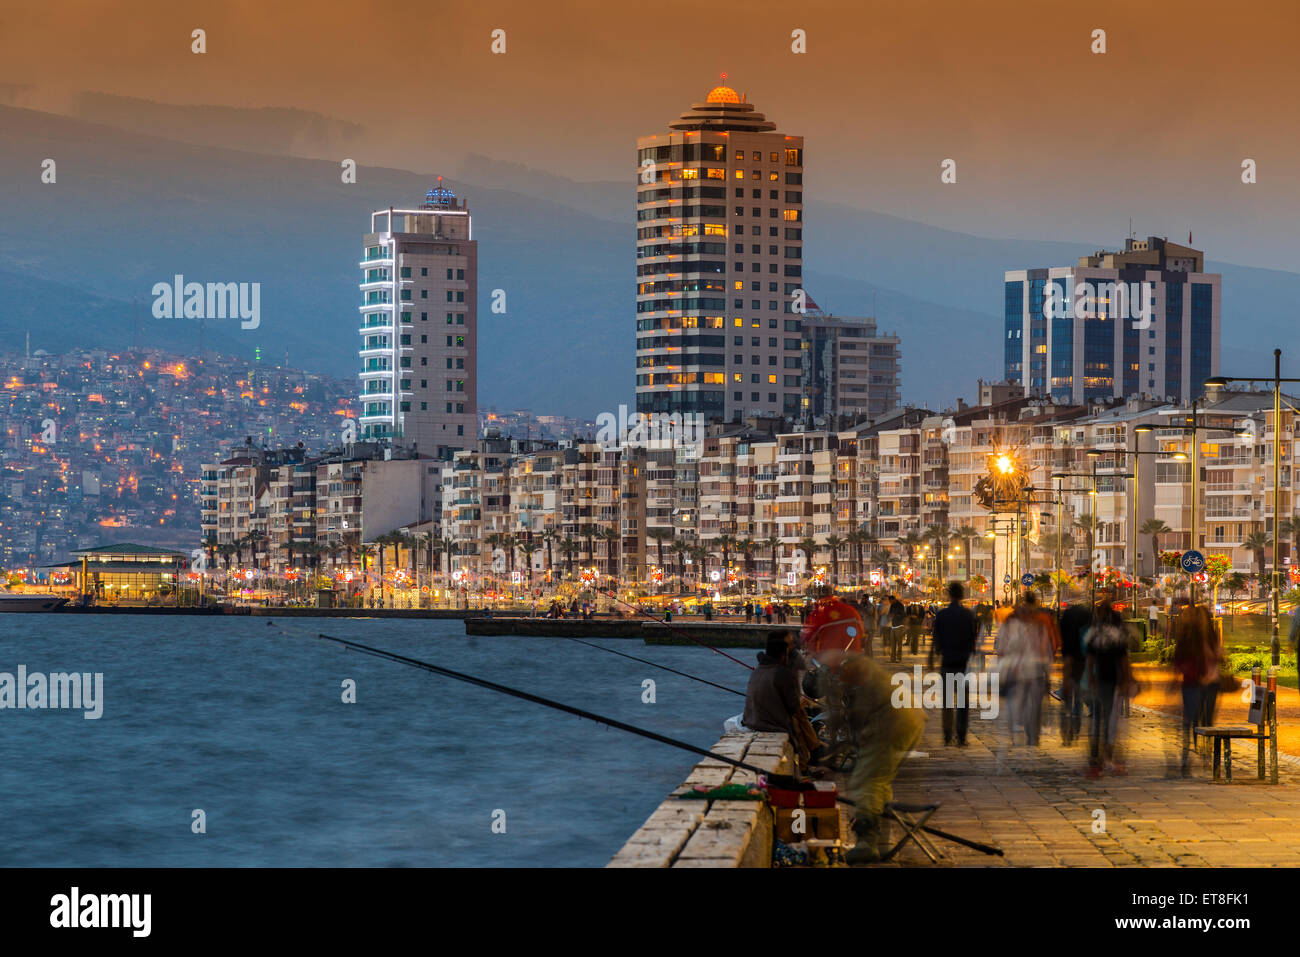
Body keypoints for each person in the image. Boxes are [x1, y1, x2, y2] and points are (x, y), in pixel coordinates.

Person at [838, 652, 926, 863]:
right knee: (879, 779)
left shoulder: (868, 684)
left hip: (895, 725)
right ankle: (882, 840)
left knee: (866, 780)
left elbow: (860, 721)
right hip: (911, 721)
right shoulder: (872, 676)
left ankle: (867, 842)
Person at [742, 631, 821, 768]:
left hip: (751, 719)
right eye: (789, 645)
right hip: (772, 725)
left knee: (800, 715)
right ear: (782, 654)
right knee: (799, 716)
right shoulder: (782, 673)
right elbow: (793, 708)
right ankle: (811, 754)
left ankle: (814, 750)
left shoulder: (759, 669)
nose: (793, 647)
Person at [996, 591, 1057, 746]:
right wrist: (1048, 666)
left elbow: (1002, 645)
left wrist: (1002, 664)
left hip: (1018, 669)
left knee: (1017, 701)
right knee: (1034, 704)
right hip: (1035, 668)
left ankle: (1018, 731)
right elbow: (1049, 645)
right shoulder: (1042, 620)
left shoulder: (1013, 620)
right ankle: (1032, 736)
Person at [1084, 601, 1132, 776]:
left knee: (1098, 719)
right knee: (1110, 720)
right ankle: (1106, 757)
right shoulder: (1116, 634)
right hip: (1113, 679)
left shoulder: (1094, 632)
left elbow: (1090, 657)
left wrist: (1090, 676)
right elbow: (1123, 658)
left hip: (1102, 678)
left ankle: (1097, 758)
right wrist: (1127, 678)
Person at [929, 582, 978, 746]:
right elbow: (973, 638)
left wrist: (937, 652)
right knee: (963, 702)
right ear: (962, 595)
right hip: (963, 663)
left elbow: (936, 638)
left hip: (948, 661)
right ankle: (962, 736)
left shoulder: (942, 615)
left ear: (949, 595)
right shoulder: (968, 614)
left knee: (948, 701)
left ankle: (947, 735)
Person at [1171, 603, 1215, 775]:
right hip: (1193, 682)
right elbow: (1178, 659)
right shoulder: (1190, 638)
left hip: (1206, 683)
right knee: (1191, 720)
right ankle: (1190, 756)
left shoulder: (1207, 636)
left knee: (1203, 720)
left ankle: (1204, 755)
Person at [1057, 602, 1093, 745]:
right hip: (1083, 662)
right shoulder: (1087, 628)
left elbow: (1064, 647)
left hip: (1069, 660)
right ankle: (1075, 728)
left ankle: (1066, 728)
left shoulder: (1066, 626)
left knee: (1068, 694)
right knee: (1078, 696)